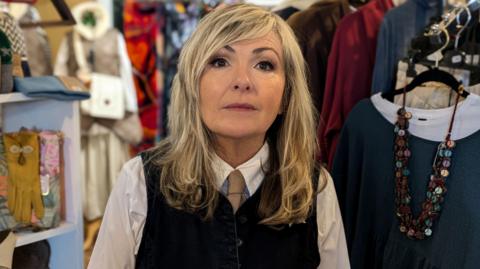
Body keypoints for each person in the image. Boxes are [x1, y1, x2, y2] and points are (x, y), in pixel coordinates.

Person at [88, 3, 349, 269]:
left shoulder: (315, 190)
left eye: (264, 64)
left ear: (286, 95)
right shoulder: (139, 183)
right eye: (220, 61)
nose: (242, 80)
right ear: (192, 85)